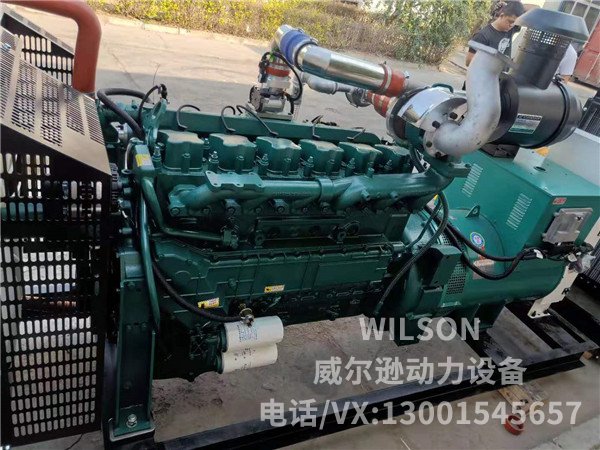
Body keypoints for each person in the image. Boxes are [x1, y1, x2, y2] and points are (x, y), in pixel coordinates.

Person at [465, 1, 526, 67]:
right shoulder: (482, 36)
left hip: (502, 72)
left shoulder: (511, 29)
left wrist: (514, 5)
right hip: (486, 72)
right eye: (510, 21)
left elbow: (533, 10)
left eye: (514, 23)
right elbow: (468, 62)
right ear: (502, 15)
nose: (512, 25)